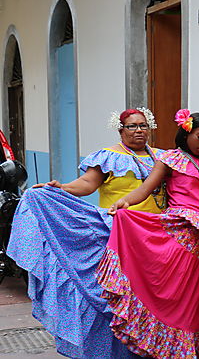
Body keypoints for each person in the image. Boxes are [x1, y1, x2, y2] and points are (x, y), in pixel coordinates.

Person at [7, 108, 162, 359]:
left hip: (155, 237)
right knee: (119, 295)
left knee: (152, 296)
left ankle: (153, 346)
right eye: (132, 126)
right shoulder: (109, 157)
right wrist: (62, 187)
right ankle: (119, 350)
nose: (139, 131)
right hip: (118, 234)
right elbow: (88, 184)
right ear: (121, 130)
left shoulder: (162, 157)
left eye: (143, 126)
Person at [97, 110, 199, 358]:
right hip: (180, 233)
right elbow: (147, 188)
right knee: (178, 297)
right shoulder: (170, 159)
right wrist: (124, 203)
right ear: (186, 132)